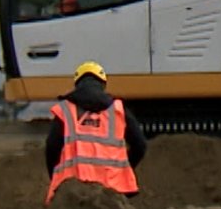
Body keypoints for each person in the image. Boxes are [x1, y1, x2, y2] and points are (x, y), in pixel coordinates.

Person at [43, 61, 148, 201]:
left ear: (77, 84)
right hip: (112, 189)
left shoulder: (65, 110)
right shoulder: (118, 110)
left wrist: (56, 177)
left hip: (74, 191)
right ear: (103, 84)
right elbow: (140, 145)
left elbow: (52, 147)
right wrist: (123, 168)